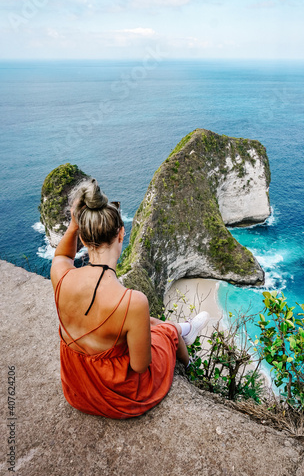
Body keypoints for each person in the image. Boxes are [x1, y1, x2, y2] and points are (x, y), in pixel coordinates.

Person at [51, 178, 211, 419]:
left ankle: (184, 329)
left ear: (83, 239)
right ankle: (188, 361)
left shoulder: (60, 278)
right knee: (165, 331)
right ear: (122, 234)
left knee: (136, 323)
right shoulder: (132, 301)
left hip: (77, 389)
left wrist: (74, 225)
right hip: (117, 396)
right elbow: (139, 366)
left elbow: (62, 255)